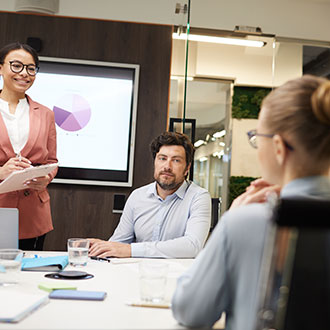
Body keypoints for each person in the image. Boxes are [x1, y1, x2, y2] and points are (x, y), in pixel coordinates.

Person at [171, 75, 330, 330]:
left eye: (258, 137)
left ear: (279, 147)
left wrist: (230, 222)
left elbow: (190, 310)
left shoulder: (247, 221)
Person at [88, 131, 211, 258]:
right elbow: (119, 244)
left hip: (177, 276)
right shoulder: (137, 196)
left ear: (187, 168)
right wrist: (103, 247)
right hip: (137, 274)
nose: (167, 166)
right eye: (162, 158)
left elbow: (192, 246)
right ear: (155, 162)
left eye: (176, 160)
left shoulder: (198, 197)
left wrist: (131, 250)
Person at [0, 42, 57, 251]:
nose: (24, 73)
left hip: (33, 212)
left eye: (31, 68)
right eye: (16, 66)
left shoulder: (46, 114)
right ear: (1, 68)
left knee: (29, 275)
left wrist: (46, 178)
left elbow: (51, 161)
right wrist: (1, 172)